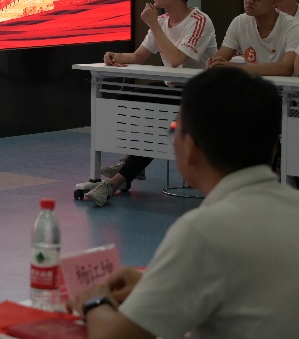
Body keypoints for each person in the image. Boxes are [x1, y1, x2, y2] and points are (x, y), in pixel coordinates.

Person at [69, 68, 299, 339]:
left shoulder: (202, 232)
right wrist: (159, 286)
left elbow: (113, 337)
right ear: (273, 148)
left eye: (174, 129)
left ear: (189, 148)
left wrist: (94, 301)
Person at [87, 0, 217, 206]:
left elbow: (176, 60)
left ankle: (116, 181)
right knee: (127, 99)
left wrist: (154, 25)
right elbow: (138, 56)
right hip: (173, 89)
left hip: (200, 94)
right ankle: (131, 164)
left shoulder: (199, 21)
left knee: (158, 127)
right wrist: (115, 56)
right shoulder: (163, 21)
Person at [206, 0, 299, 76]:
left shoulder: (293, 26)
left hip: (284, 86)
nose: (249, 1)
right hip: (251, 84)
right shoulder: (239, 22)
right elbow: (221, 58)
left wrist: (233, 68)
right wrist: (214, 63)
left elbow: (287, 68)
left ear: (274, 1)